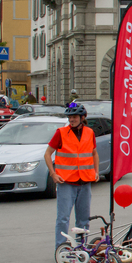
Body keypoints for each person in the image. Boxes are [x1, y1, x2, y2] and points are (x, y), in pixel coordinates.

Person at [44, 103, 99, 248]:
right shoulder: (61, 133)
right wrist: (53, 174)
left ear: (82, 117)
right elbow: (47, 154)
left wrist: (96, 172)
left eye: (74, 117)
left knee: (83, 220)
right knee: (63, 219)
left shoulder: (89, 132)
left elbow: (94, 153)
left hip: (85, 182)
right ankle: (61, 248)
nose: (71, 119)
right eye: (69, 117)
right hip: (66, 182)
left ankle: (81, 247)